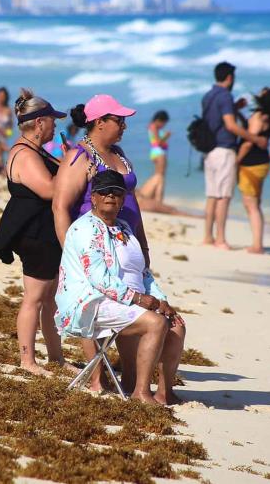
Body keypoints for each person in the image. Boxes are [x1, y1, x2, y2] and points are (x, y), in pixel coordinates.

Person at [55, 169, 186, 404]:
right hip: (91, 302)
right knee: (155, 323)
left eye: (116, 192)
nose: (110, 196)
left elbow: (143, 272)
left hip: (124, 301)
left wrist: (160, 298)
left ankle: (165, 392)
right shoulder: (85, 229)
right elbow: (99, 279)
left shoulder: (124, 227)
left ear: (123, 199)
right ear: (93, 197)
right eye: (104, 192)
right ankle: (140, 393)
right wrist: (137, 299)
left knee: (176, 325)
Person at [0, 89, 68, 375]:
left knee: (50, 300)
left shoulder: (32, 151)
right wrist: (69, 166)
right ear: (39, 123)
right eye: (52, 120)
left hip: (42, 232)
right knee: (34, 299)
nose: (55, 125)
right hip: (35, 234)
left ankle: (56, 358)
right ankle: (27, 360)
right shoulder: (25, 154)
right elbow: (48, 189)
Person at [200, 62, 267, 249]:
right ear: (229, 78)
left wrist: (235, 107)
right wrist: (255, 138)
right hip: (224, 149)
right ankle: (220, 239)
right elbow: (230, 125)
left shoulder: (208, 96)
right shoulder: (225, 96)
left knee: (212, 195)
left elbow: (215, 120)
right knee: (224, 196)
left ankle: (207, 237)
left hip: (209, 150)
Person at [236, 87, 270, 253]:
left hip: (250, 163)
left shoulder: (259, 115)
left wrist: (236, 160)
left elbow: (249, 141)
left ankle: (257, 245)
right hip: (262, 162)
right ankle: (257, 242)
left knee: (251, 204)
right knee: (255, 203)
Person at [138, 110, 171, 208]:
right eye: (163, 122)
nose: (163, 125)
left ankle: (156, 198)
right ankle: (158, 199)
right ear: (159, 120)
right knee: (160, 176)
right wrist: (166, 136)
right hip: (159, 152)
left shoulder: (151, 126)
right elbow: (158, 142)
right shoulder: (154, 127)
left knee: (159, 175)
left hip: (155, 152)